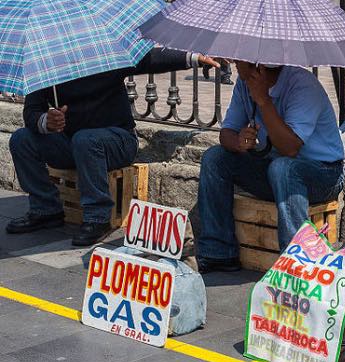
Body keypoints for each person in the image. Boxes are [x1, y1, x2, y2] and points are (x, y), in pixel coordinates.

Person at [8, 49, 218, 246]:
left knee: (86, 140)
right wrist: (46, 121)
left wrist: (194, 58)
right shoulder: (46, 66)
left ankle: (98, 217)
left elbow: (148, 60)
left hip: (117, 139)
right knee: (21, 139)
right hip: (71, 142)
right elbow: (31, 113)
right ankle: (45, 209)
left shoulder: (103, 56)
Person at [195, 62, 345, 274]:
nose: (235, 64)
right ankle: (217, 252)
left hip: (323, 174)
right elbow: (226, 132)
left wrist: (264, 101)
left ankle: (295, 264)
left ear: (259, 67)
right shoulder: (245, 83)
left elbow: (290, 148)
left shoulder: (302, 86)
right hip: (276, 170)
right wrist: (238, 141)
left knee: (284, 168)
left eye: (241, 60)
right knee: (215, 158)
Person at [200, 0, 240, 85]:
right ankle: (221, 72)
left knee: (226, 49)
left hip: (227, 21)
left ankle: (223, 73)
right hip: (215, 22)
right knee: (220, 49)